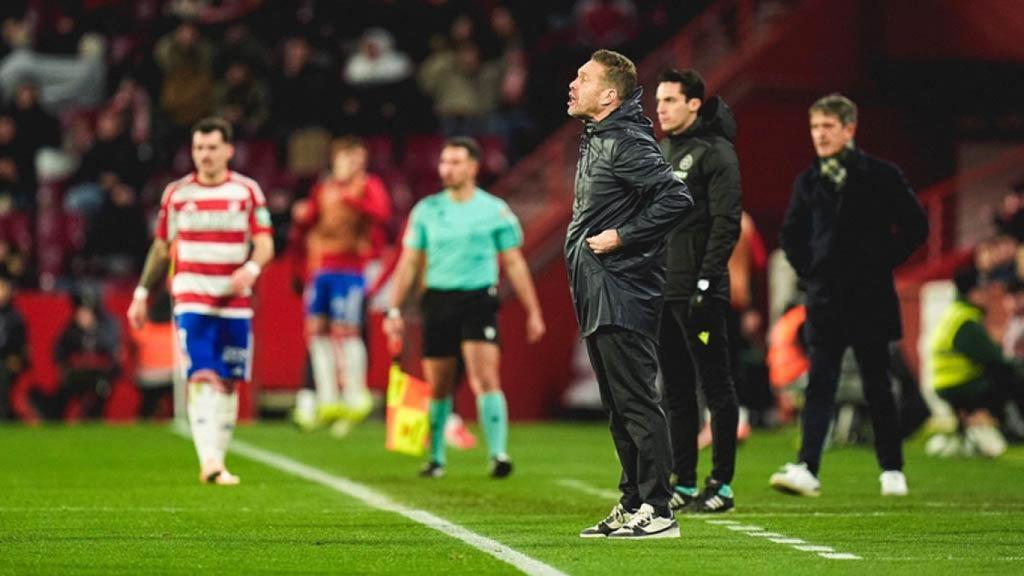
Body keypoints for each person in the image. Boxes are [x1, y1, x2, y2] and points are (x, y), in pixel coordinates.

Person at [771, 93, 928, 497]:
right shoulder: (808, 181)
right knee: (819, 384)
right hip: (824, 298)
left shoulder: (881, 174)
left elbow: (915, 225)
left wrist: (881, 262)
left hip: (870, 295)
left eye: (827, 127)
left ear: (849, 129)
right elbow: (790, 235)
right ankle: (808, 467)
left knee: (878, 384)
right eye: (814, 127)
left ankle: (892, 469)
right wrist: (812, 271)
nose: (819, 135)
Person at [566, 50, 692, 539]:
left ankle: (660, 509)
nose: (573, 85)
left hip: (623, 289)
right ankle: (634, 500)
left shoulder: (623, 140)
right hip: (598, 289)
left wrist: (624, 235)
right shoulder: (598, 137)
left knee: (637, 401)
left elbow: (677, 197)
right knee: (619, 408)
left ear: (609, 95)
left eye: (583, 78)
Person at [382, 136, 545, 479]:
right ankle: (437, 457)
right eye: (444, 162)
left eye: (456, 162)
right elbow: (409, 264)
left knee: (485, 376)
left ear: (473, 167)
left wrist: (533, 311)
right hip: (438, 300)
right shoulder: (427, 210)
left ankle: (498, 453)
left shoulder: (494, 210)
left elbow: (514, 263)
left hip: (477, 300)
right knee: (438, 384)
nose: (448, 169)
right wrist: (394, 311)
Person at [127, 117, 274, 485]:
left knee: (227, 382)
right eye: (198, 148)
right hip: (192, 297)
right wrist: (142, 293)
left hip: (235, 302)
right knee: (201, 376)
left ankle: (218, 460)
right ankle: (208, 460)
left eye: (211, 148)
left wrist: (253, 269)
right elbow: (162, 248)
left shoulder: (247, 191)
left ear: (228, 150)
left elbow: (266, 242)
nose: (204, 155)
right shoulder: (177, 194)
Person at [653, 68, 742, 513]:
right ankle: (684, 481)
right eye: (659, 101)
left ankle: (721, 484)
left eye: (670, 100)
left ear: (693, 104)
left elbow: (727, 223)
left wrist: (706, 282)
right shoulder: (662, 151)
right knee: (676, 390)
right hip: (665, 291)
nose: (662, 109)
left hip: (700, 293)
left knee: (716, 385)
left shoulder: (716, 153)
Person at [290, 137, 391, 435]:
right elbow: (309, 224)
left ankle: (355, 394)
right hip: (322, 269)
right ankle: (327, 397)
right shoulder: (324, 189)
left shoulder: (368, 186)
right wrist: (302, 216)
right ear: (336, 160)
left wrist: (354, 201)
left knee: (347, 332)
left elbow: (383, 215)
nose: (355, 165)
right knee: (317, 333)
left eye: (359, 160)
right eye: (349, 159)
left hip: (351, 270)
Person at [931, 267, 1024, 437]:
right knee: (1012, 376)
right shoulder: (966, 321)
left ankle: (982, 426)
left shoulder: (955, 314)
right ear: (972, 293)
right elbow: (994, 358)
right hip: (960, 383)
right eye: (983, 291)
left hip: (946, 382)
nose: (988, 296)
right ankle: (1011, 428)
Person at [0, 268, 27, 420]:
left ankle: (2, 418)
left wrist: (17, 359)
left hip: (6, 362)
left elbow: (21, 348)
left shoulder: (15, 318)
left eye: (2, 287)